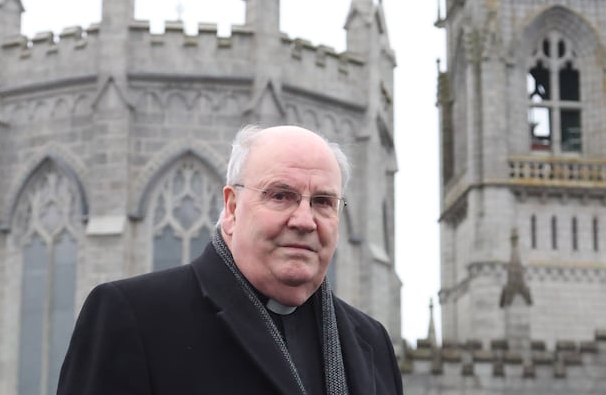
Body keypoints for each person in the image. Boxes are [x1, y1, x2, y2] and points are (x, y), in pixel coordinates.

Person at [57, 124, 403, 394]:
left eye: (323, 201)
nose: (304, 220)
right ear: (233, 208)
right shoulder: (133, 316)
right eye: (281, 196)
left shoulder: (371, 341)